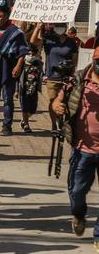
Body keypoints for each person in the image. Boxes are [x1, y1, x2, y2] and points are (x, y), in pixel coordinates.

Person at [51, 47, 99, 249]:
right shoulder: (77, 80)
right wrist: (56, 106)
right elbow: (56, 103)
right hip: (82, 149)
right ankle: (79, 214)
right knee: (77, 192)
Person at [0, 6, 29, 135]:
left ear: (6, 17)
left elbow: (23, 51)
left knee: (7, 100)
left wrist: (18, 65)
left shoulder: (15, 32)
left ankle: (7, 126)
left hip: (7, 70)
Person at [31, 22, 79, 131]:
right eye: (58, 26)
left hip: (67, 78)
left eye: (62, 26)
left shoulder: (71, 42)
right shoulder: (49, 40)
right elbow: (33, 42)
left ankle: (63, 122)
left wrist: (72, 74)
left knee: (65, 102)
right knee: (53, 100)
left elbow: (75, 59)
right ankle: (54, 124)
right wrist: (38, 28)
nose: (60, 28)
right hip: (52, 77)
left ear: (66, 27)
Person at [18, 45, 43, 133]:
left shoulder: (38, 63)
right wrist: (16, 91)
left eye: (33, 53)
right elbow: (17, 79)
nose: (31, 55)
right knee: (25, 107)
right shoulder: (21, 64)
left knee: (33, 109)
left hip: (34, 90)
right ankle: (26, 125)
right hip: (23, 89)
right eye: (29, 53)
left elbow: (41, 74)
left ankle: (24, 120)